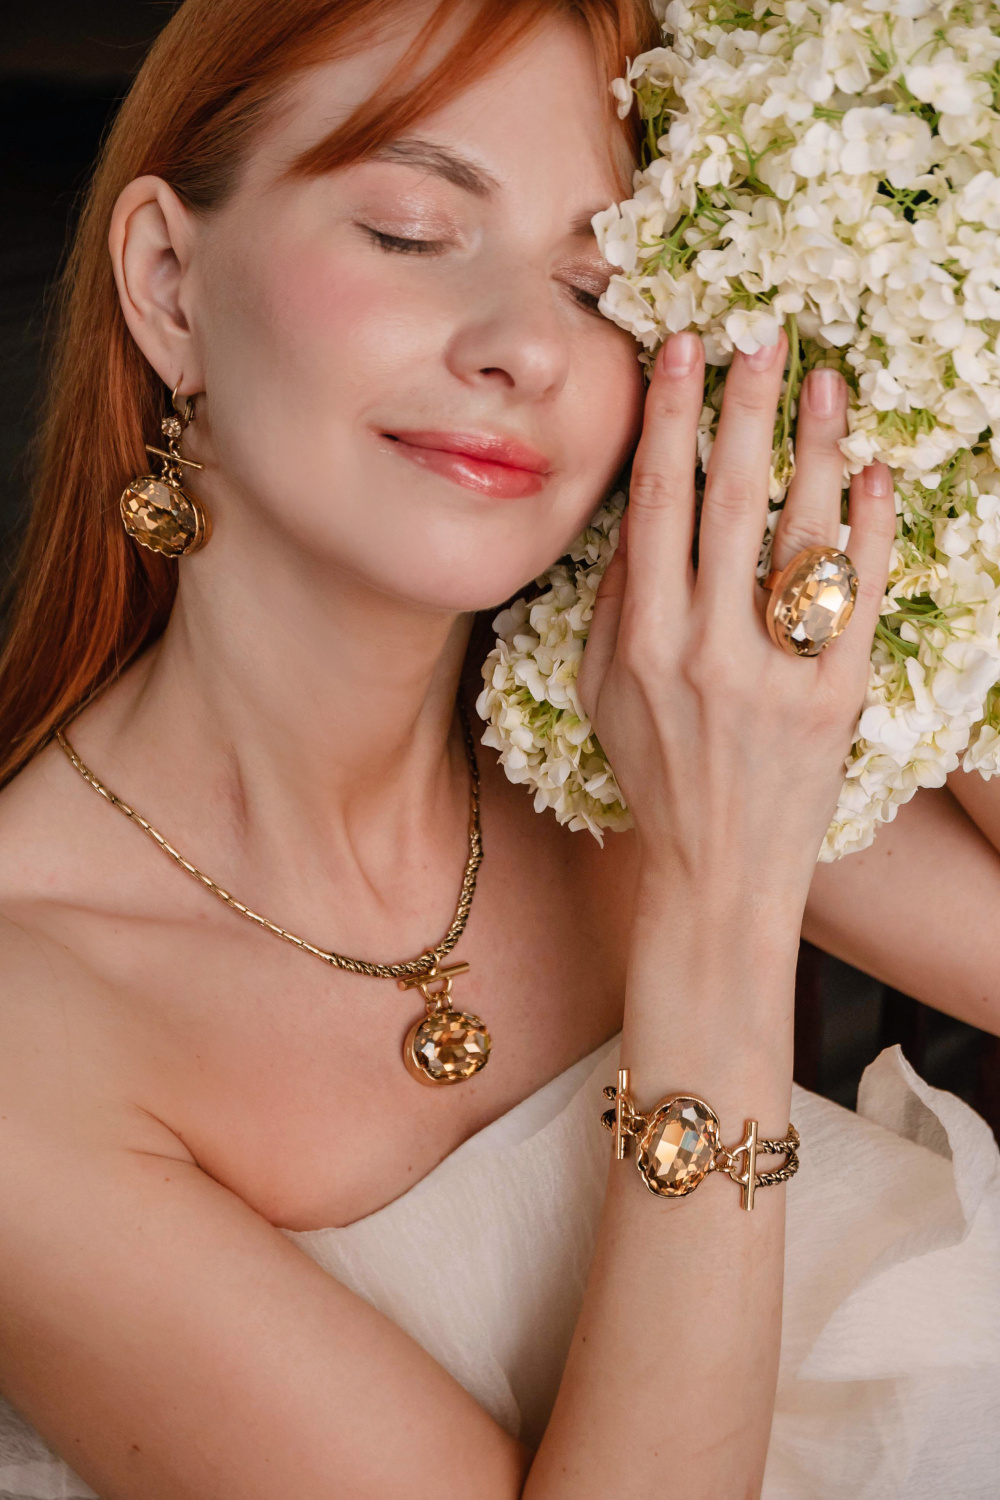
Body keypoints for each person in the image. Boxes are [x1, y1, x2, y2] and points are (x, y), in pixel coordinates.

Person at [0, 1, 998, 1496]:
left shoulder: (657, 719)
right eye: (410, 232)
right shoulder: (30, 1034)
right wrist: (719, 911)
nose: (529, 347)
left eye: (600, 286)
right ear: (168, 285)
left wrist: (936, 409)